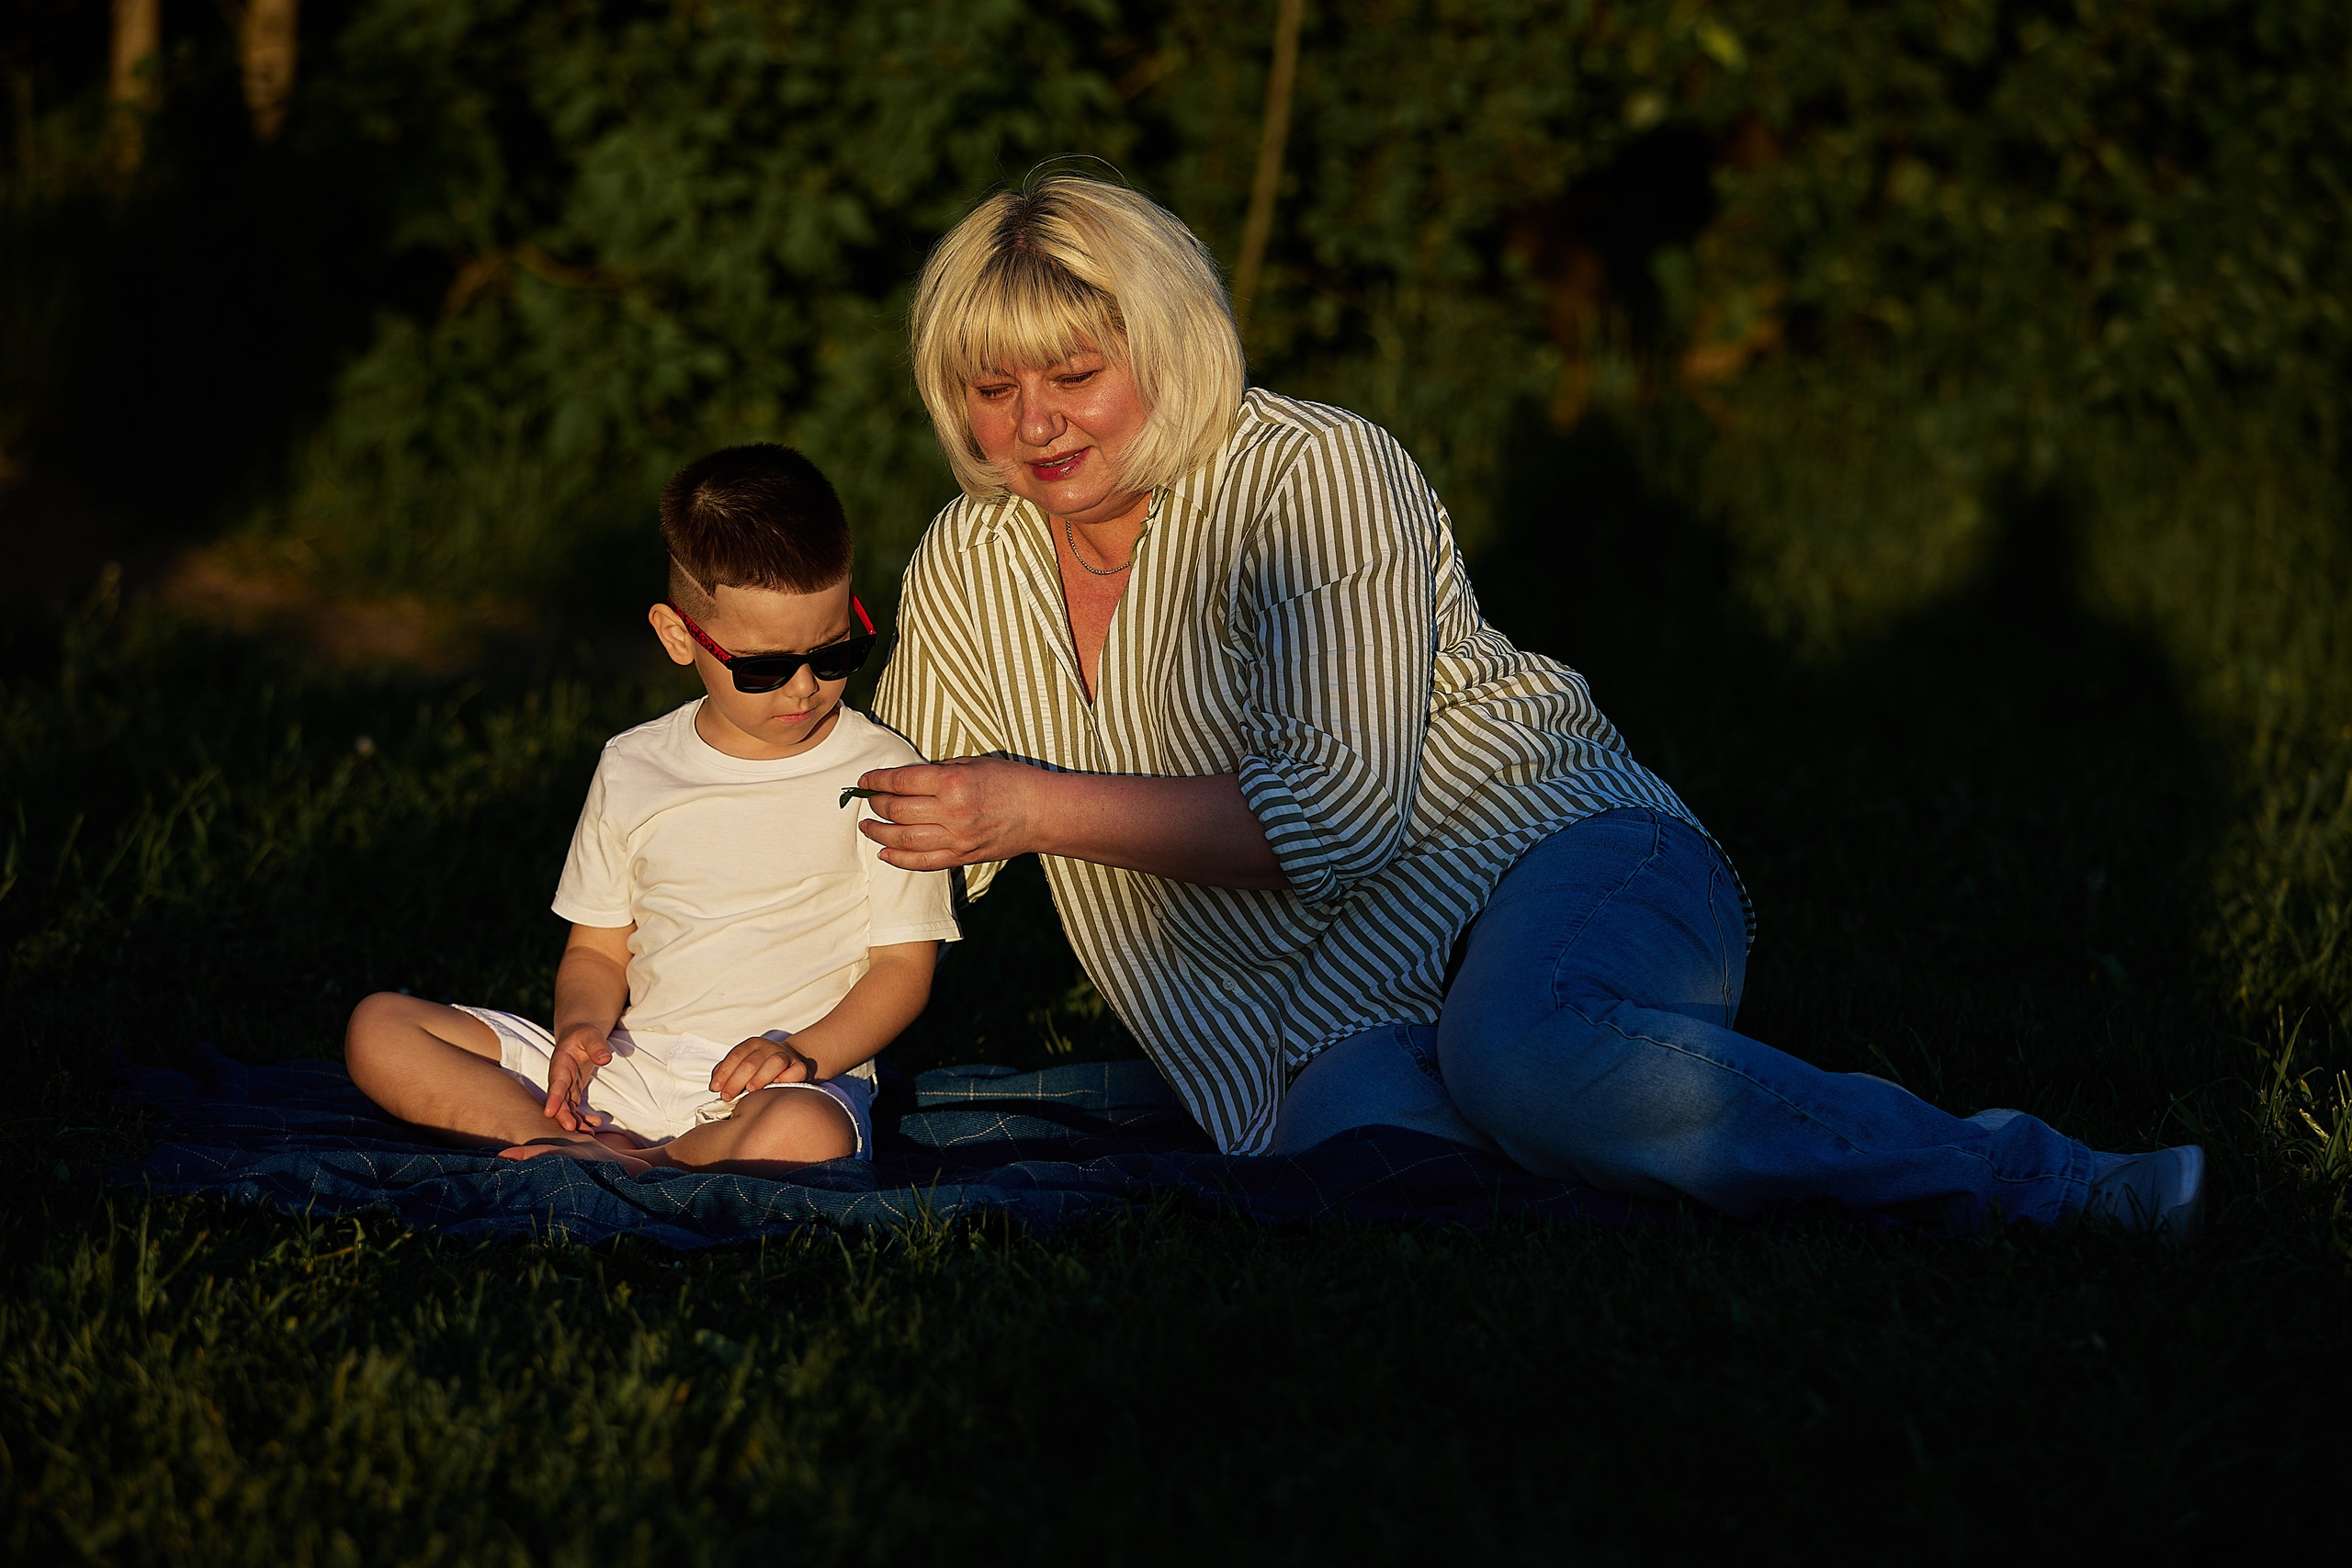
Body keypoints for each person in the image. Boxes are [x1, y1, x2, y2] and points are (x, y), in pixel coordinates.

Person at [854, 172, 2206, 1237]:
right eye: (993, 388)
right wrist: (673, 1024)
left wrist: (1026, 805)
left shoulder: (1313, 472)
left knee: (1529, 1055)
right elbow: (878, 847)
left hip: (1550, 854)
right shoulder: (973, 558)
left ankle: (2046, 1181)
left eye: (1072, 373)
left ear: (1165, 344)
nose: (1033, 423)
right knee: (1402, 1187)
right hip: (1320, 1014)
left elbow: (1334, 814)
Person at [344, 445, 960, 1175]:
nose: (803, 687)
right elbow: (599, 948)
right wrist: (578, 1028)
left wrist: (803, 1051)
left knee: (804, 1133)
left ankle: (639, 1162)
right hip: (629, 1069)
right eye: (764, 667)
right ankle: (578, 1141)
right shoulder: (635, 764)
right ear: (678, 636)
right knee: (378, 1026)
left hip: (782, 1081)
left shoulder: (886, 773)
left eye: (834, 653)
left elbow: (901, 970)